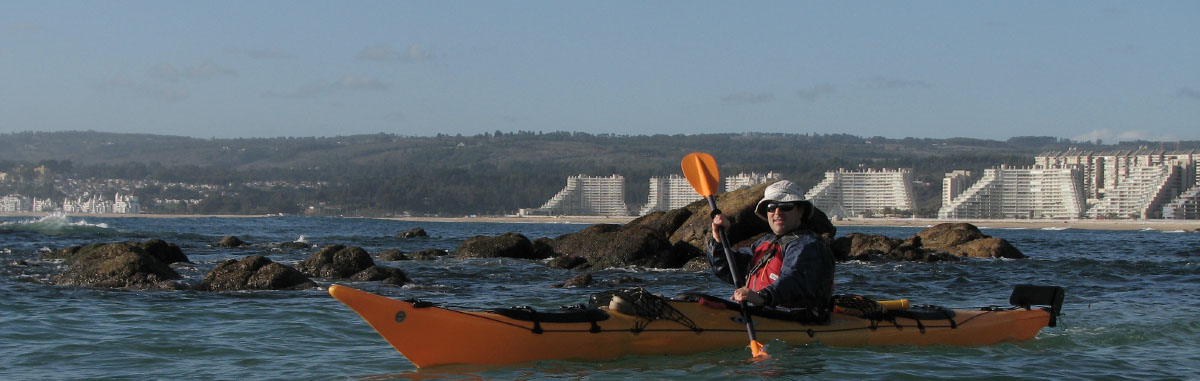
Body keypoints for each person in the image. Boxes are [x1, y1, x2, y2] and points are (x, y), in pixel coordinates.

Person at [707, 180, 835, 322]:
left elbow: (794, 279)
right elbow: (729, 269)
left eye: (786, 206)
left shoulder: (809, 246)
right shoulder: (765, 243)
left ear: (801, 211)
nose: (777, 213)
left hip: (798, 319)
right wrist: (719, 241)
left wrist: (763, 297)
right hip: (763, 313)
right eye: (771, 207)